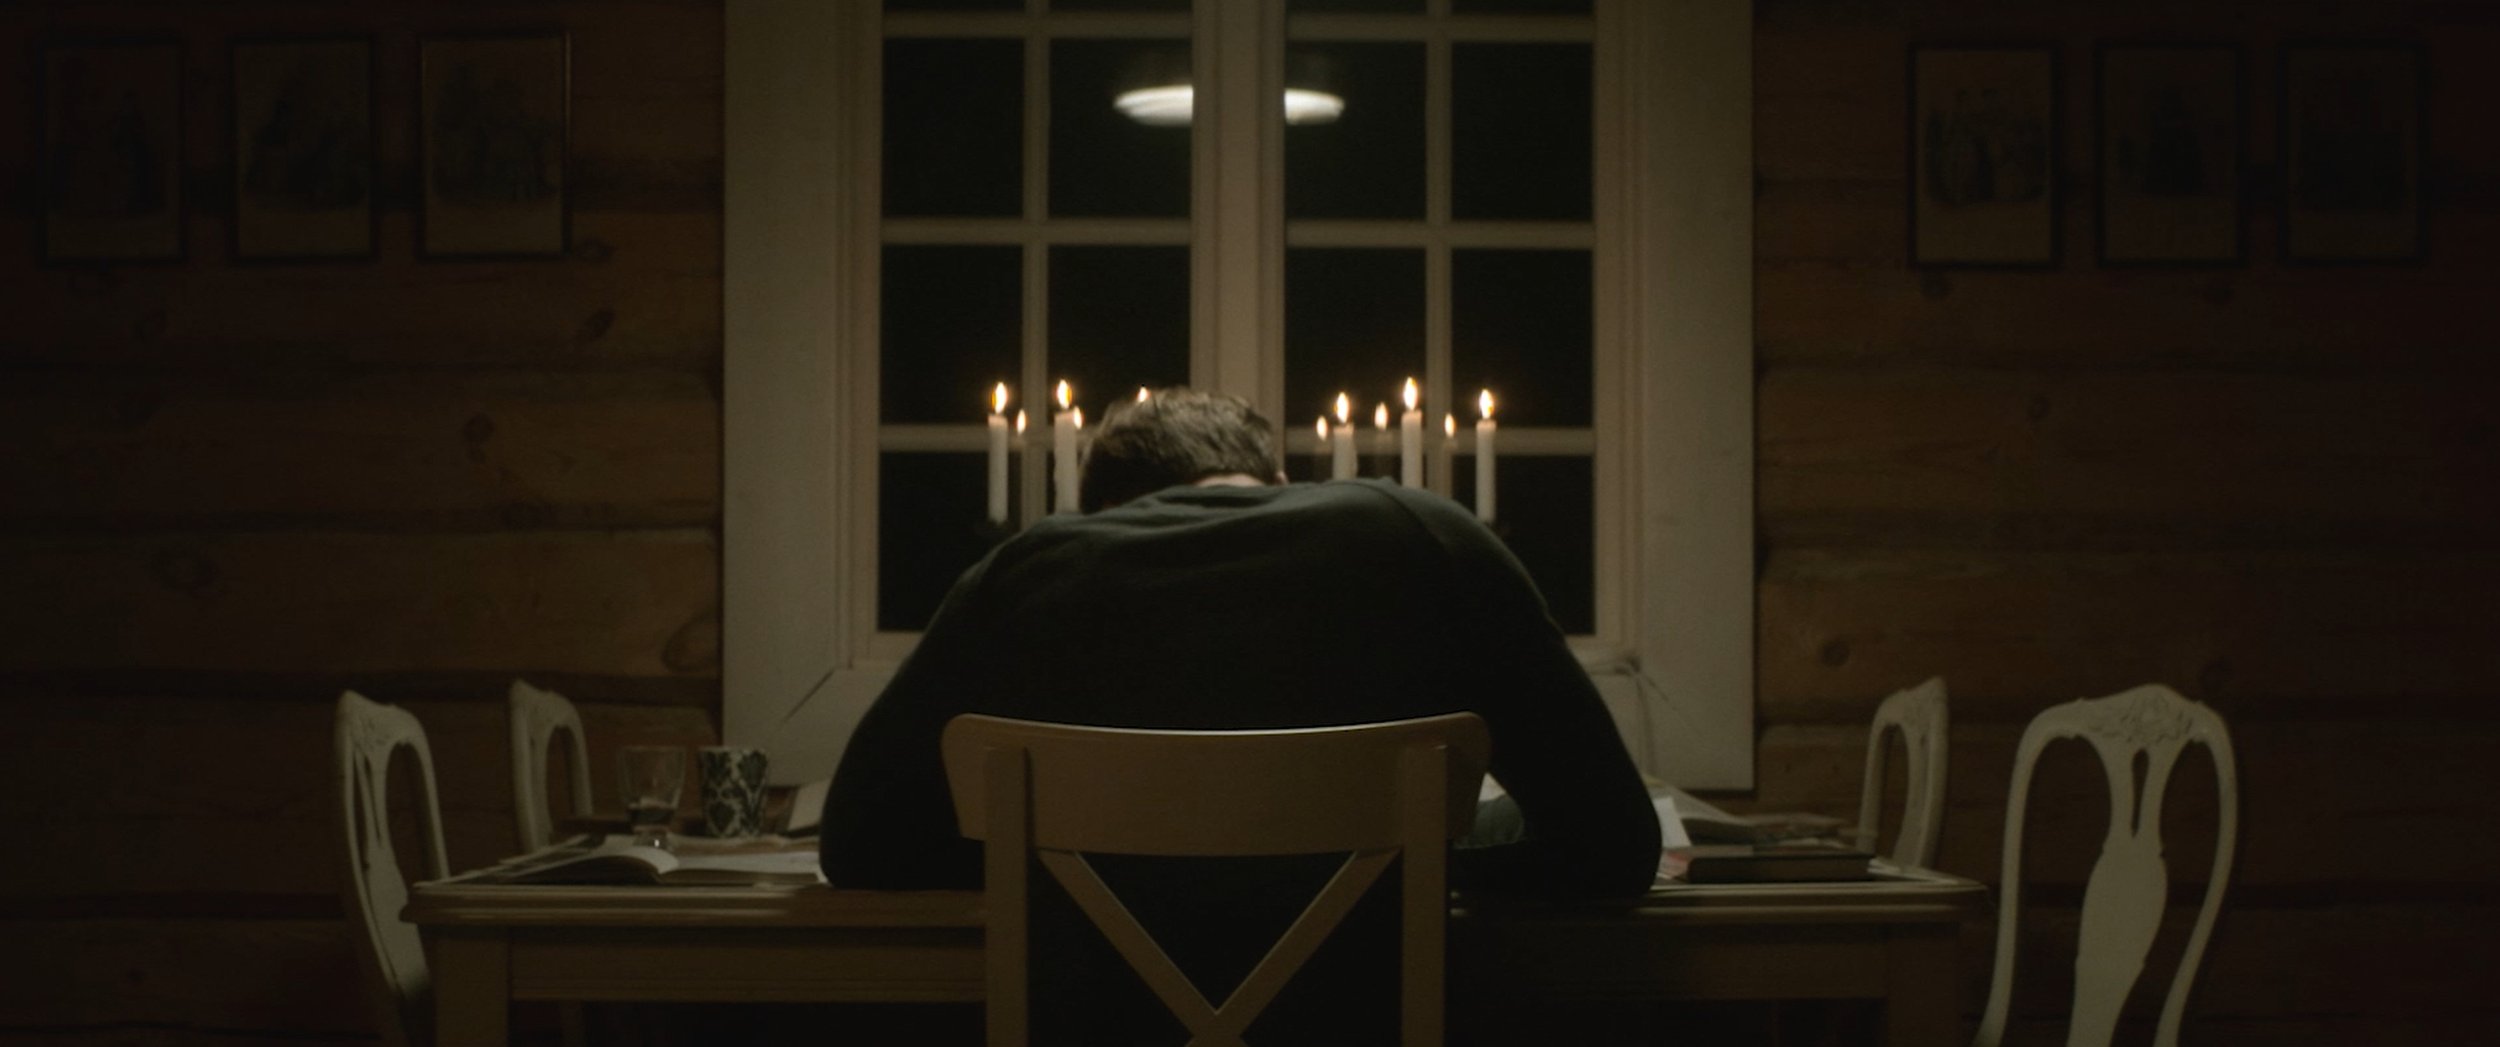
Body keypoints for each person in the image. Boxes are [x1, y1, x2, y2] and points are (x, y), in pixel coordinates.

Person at [820, 387, 1660, 1044]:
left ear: (1106, 510)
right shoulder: (1425, 539)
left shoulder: (1027, 573)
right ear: (1276, 482)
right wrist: (1419, 847)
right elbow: (1612, 843)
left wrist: (1058, 861)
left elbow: (860, 840)